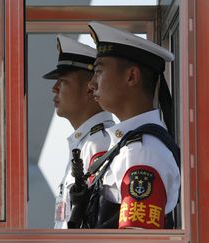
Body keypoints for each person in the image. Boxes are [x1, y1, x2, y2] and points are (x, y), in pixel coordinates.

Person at [81, 22, 181, 229]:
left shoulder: (141, 151)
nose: (91, 84)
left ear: (131, 76)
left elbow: (137, 236)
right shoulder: (129, 146)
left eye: (98, 72)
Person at [42, 34, 114, 229]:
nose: (54, 88)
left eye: (63, 81)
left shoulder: (99, 144)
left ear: (90, 89)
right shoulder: (85, 143)